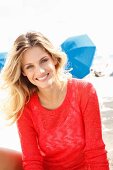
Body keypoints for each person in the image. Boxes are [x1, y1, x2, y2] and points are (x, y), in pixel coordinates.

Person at [0, 31, 109, 170]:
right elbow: (32, 160)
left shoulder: (84, 91)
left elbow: (96, 152)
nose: (39, 71)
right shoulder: (26, 107)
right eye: (29, 66)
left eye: (44, 60)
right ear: (23, 72)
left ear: (54, 59)